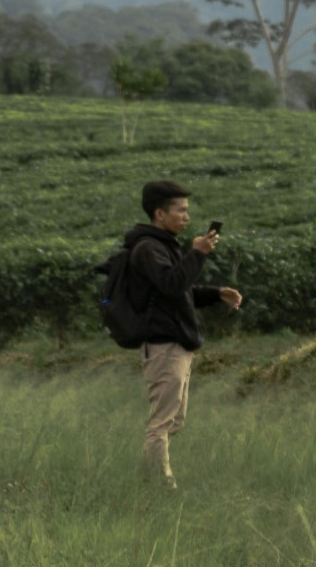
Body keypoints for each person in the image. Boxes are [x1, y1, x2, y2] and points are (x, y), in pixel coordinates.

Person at [124, 179, 243, 490]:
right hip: (164, 346)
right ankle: (163, 487)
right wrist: (199, 254)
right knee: (161, 423)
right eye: (181, 210)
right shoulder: (149, 248)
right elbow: (172, 284)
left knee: (173, 421)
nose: (186, 217)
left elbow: (180, 291)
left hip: (176, 345)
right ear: (160, 214)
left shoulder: (163, 245)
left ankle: (146, 478)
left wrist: (216, 294)